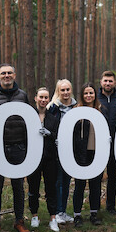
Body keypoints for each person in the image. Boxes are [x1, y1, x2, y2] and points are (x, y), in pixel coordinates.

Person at [0, 64, 31, 232]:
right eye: (3, 73)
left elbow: (29, 120)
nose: (6, 75)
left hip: (18, 146)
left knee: (18, 186)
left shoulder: (22, 95)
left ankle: (19, 220)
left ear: (15, 75)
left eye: (10, 72)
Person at [72, 83, 106, 226]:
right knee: (79, 184)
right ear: (82, 95)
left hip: (96, 152)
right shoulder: (76, 111)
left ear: (95, 94)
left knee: (95, 185)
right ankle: (77, 215)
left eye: (91, 93)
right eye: (86, 93)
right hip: (80, 152)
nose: (88, 96)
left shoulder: (100, 109)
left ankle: (94, 213)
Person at [28, 87, 61, 232]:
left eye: (46, 97)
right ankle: (34, 215)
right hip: (33, 158)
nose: (43, 100)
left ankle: (53, 218)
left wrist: (50, 134)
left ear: (49, 99)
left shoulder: (53, 118)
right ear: (35, 98)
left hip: (50, 158)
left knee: (51, 188)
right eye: (40, 97)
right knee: (33, 188)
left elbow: (57, 136)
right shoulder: (29, 116)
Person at [97, 71, 116, 214]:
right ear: (101, 82)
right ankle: (94, 206)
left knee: (113, 176)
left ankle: (110, 206)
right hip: (97, 144)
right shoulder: (94, 98)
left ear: (114, 83)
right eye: (105, 80)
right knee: (96, 176)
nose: (108, 83)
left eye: (110, 81)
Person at [50, 79, 76, 224]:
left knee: (66, 181)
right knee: (59, 181)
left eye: (67, 90)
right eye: (62, 90)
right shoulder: (53, 108)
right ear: (58, 91)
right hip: (57, 150)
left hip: (71, 150)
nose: (65, 93)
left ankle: (63, 211)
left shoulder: (76, 107)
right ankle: (57, 212)